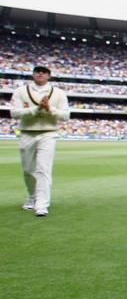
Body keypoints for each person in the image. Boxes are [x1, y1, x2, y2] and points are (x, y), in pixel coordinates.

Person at [9, 65, 70, 216]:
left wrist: (50, 109)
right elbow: (14, 113)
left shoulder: (58, 93)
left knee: (43, 169)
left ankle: (42, 205)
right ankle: (32, 197)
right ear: (33, 74)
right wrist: (36, 109)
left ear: (49, 75)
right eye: (37, 72)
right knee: (28, 170)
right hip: (27, 133)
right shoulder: (20, 91)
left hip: (48, 133)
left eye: (44, 72)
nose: (40, 74)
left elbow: (65, 116)